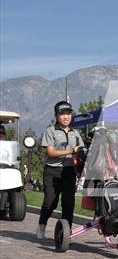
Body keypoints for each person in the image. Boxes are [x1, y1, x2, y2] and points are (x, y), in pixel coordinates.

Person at [35, 101, 84, 239]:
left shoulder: (75, 133)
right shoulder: (50, 131)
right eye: (62, 114)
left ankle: (65, 234)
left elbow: (81, 150)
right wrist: (70, 151)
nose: (66, 117)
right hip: (52, 171)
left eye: (68, 114)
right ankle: (42, 225)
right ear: (57, 116)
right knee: (50, 201)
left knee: (68, 203)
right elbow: (50, 152)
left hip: (69, 172)